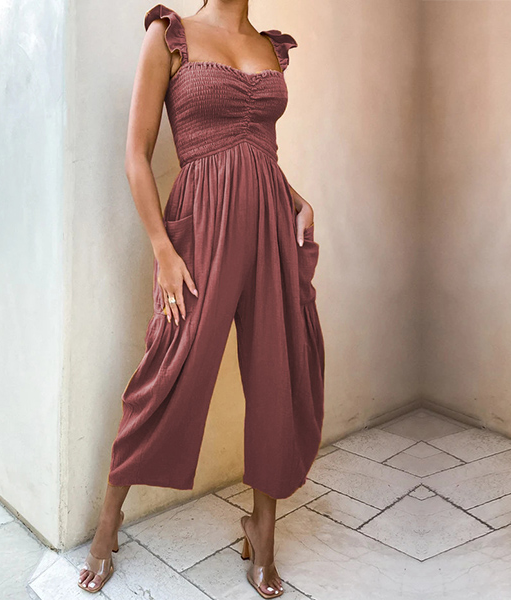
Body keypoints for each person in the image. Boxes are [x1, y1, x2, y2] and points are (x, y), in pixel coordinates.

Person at [78, 1, 325, 597]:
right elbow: (136, 154)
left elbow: (256, 147)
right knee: (169, 369)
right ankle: (108, 525)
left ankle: (262, 536)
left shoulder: (269, 47)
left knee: (275, 375)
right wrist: (162, 249)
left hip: (270, 226)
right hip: (200, 229)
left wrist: (296, 197)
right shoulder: (171, 35)